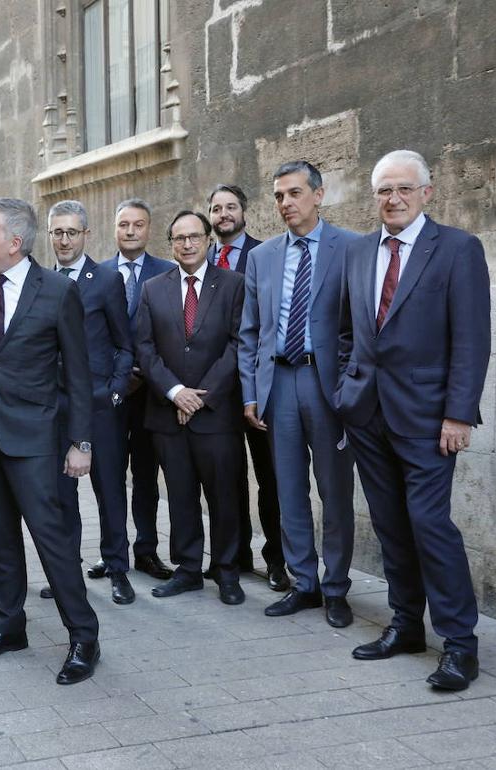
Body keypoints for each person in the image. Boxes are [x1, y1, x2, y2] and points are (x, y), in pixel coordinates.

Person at [337, 150, 491, 691]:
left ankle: (459, 644)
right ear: (374, 196)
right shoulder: (358, 252)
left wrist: (458, 414)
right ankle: (405, 626)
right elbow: (345, 332)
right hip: (367, 414)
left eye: (404, 189)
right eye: (384, 190)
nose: (394, 199)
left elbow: (471, 339)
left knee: (429, 525)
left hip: (429, 420)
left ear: (427, 192)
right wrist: (345, 388)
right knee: (389, 526)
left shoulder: (457, 250)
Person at [0, 197, 101, 685]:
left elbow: (78, 374)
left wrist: (81, 443)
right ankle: (8, 627)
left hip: (35, 438)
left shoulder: (55, 291)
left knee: (52, 540)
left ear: (14, 241)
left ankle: (83, 637)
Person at [238, 161, 361, 628]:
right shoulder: (263, 256)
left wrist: (351, 388)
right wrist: (250, 392)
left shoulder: (351, 247)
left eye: (293, 193)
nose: (285, 203)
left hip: (327, 385)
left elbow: (359, 325)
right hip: (279, 385)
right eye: (278, 196)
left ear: (318, 195)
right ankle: (304, 582)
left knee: (334, 491)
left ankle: (336, 588)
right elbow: (251, 332)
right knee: (288, 490)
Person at [135, 210, 246, 606]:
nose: (187, 244)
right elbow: (144, 348)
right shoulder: (152, 288)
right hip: (168, 413)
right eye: (179, 238)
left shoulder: (233, 285)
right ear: (171, 244)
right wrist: (175, 392)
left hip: (216, 414)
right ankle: (187, 569)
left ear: (207, 240)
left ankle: (227, 570)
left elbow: (238, 344)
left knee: (223, 495)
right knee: (180, 495)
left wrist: (200, 396)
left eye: (194, 236)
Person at [46, 200, 135, 605]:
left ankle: (118, 569)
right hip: (55, 405)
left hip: (99, 403)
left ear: (86, 235)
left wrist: (115, 391)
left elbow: (124, 345)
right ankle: (67, 574)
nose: (64, 240)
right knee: (61, 496)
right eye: (57, 233)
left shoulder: (106, 280)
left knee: (109, 490)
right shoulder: (41, 281)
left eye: (71, 232)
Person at [205, 184, 288, 592]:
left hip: (257, 385)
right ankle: (235, 555)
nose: (224, 214)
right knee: (227, 476)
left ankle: (277, 559)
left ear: (244, 211)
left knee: (269, 476)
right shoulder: (198, 259)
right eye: (217, 208)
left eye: (231, 207)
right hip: (216, 390)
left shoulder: (265, 254)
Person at [99, 198, 175, 582]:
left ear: (148, 229)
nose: (130, 231)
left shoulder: (168, 272)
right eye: (124, 224)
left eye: (138, 225)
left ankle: (147, 550)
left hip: (150, 392)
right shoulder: (97, 274)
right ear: (115, 229)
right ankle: (112, 551)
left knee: (146, 475)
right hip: (112, 393)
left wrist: (144, 374)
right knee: (108, 475)